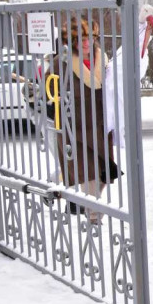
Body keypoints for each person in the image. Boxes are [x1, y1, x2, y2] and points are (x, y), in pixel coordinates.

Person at [48, 17, 119, 222]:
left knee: (105, 172)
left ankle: (60, 186)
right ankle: (94, 216)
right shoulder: (60, 62)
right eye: (81, 39)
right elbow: (48, 88)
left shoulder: (103, 59)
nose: (87, 43)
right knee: (88, 173)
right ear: (71, 41)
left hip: (99, 125)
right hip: (75, 127)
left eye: (90, 38)